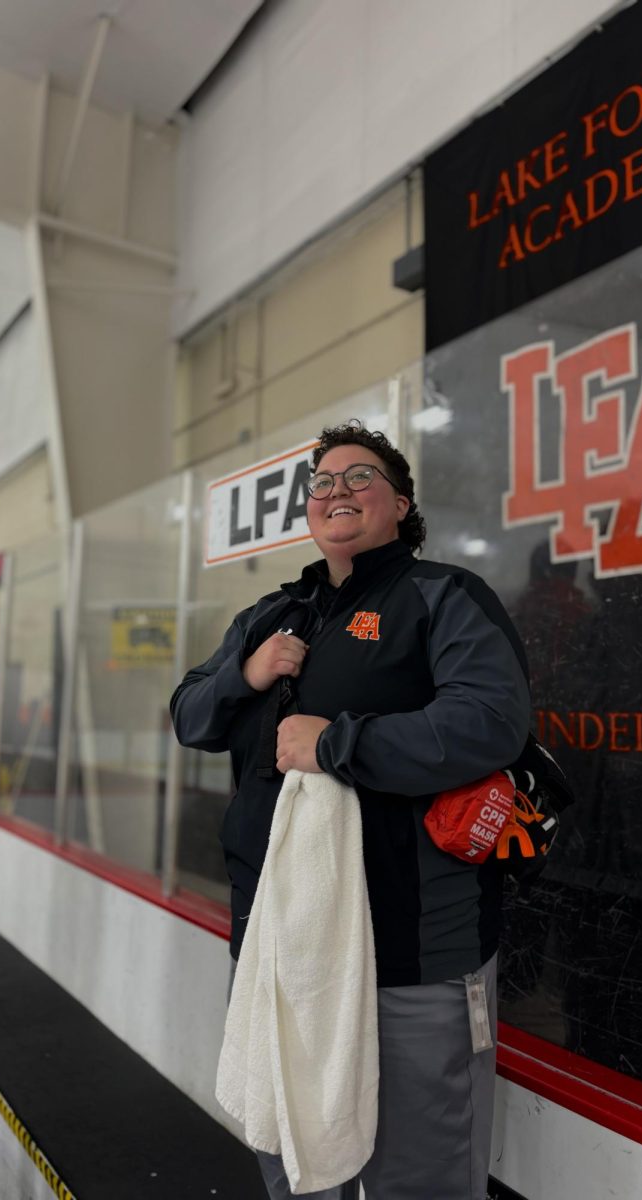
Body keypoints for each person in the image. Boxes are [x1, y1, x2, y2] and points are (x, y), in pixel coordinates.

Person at [171, 420, 531, 1199]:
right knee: (292, 1161)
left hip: (410, 951)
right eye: (322, 483)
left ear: (399, 502)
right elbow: (190, 716)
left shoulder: (442, 598)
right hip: (278, 940)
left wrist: (337, 744)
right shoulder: (269, 618)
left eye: (359, 477)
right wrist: (247, 673)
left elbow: (490, 723)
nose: (337, 491)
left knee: (418, 1175)